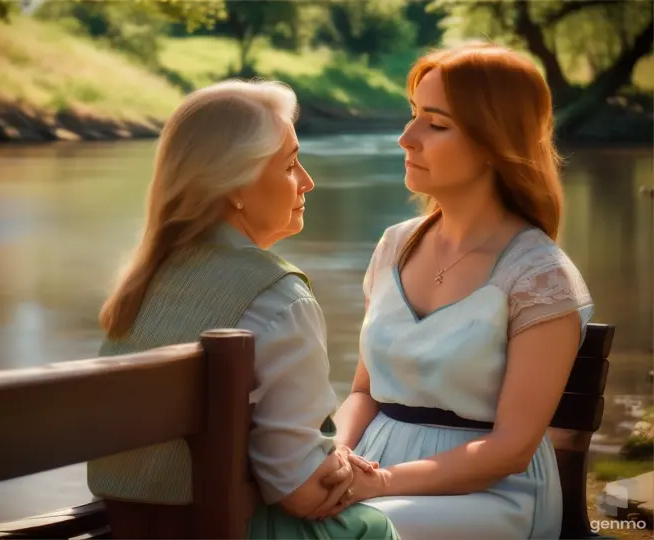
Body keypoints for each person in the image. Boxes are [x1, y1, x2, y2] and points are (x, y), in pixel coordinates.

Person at [86, 79, 399, 540]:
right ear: (236, 184)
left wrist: (323, 456)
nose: (308, 181)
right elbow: (304, 492)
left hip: (130, 529)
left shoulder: (142, 285)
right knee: (375, 527)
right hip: (229, 530)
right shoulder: (278, 298)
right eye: (291, 165)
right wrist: (345, 468)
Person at [322, 43, 595, 539]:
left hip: (490, 497)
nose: (406, 138)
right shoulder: (394, 246)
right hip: (373, 476)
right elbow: (364, 391)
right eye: (412, 116)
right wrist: (336, 455)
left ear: (494, 143)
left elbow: (511, 450)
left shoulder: (539, 276)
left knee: (347, 532)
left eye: (436, 123)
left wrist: (379, 483)